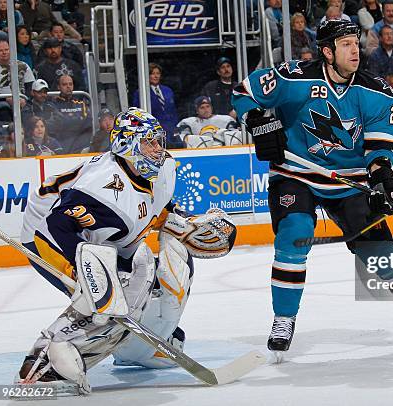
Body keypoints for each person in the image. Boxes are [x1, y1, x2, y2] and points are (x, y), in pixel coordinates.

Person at [231, 19, 393, 358]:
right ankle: (283, 318)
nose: (354, 51)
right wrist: (256, 120)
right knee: (294, 233)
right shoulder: (293, 77)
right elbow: (243, 91)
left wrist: (383, 181)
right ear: (327, 51)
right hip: (296, 173)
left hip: (349, 179)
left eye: (356, 43)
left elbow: (379, 150)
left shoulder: (376, 90)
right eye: (346, 44)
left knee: (378, 249)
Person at [17, 107, 237, 393]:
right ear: (126, 144)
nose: (158, 149)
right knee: (103, 301)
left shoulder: (164, 168)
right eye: (149, 142)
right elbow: (57, 223)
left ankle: (135, 342)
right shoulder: (102, 188)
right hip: (46, 232)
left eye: (159, 140)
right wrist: (84, 274)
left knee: (141, 274)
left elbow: (157, 209)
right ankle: (43, 364)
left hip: (105, 239)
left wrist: (184, 224)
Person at [132, 63, 181, 149]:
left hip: (171, 130)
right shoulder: (141, 93)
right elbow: (137, 115)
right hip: (154, 133)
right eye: (152, 73)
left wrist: (175, 126)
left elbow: (173, 111)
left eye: (158, 73)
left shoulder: (167, 90)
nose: (156, 76)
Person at [0, 39, 35, 121]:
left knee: (28, 109)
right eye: (0, 50)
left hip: (22, 99)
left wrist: (24, 99)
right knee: (3, 108)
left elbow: (31, 87)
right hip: (0, 101)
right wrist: (6, 99)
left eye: (6, 49)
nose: (4, 52)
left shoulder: (23, 66)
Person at [51, 74, 91, 153]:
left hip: (80, 145)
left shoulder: (81, 104)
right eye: (64, 84)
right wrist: (77, 120)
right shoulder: (53, 104)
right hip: (61, 144)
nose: (68, 86)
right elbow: (58, 125)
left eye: (70, 84)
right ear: (59, 87)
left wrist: (67, 121)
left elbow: (88, 124)